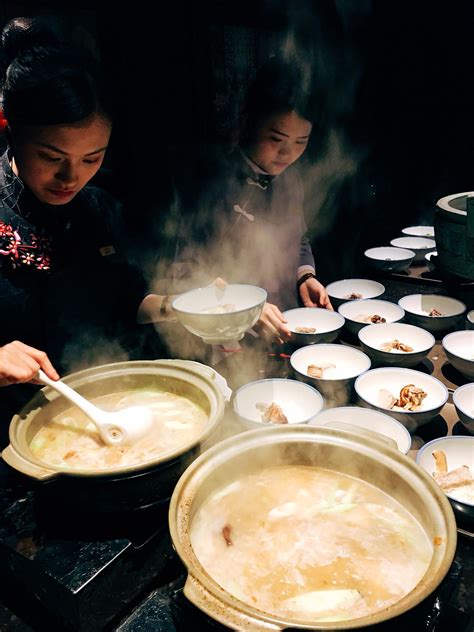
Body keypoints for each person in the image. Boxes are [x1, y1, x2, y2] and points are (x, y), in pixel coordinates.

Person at [0, 18, 172, 441]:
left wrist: (186, 310)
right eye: (51, 155)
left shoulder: (99, 209)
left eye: (92, 158)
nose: (71, 177)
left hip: (97, 415)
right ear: (12, 127)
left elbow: (125, 300)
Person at [173, 55, 333, 344]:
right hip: (226, 338)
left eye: (301, 142)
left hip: (284, 324)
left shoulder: (291, 178)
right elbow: (184, 270)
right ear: (247, 122)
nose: (288, 154)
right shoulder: (210, 181)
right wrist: (245, 309)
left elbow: (300, 239)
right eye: (276, 139)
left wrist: (304, 276)